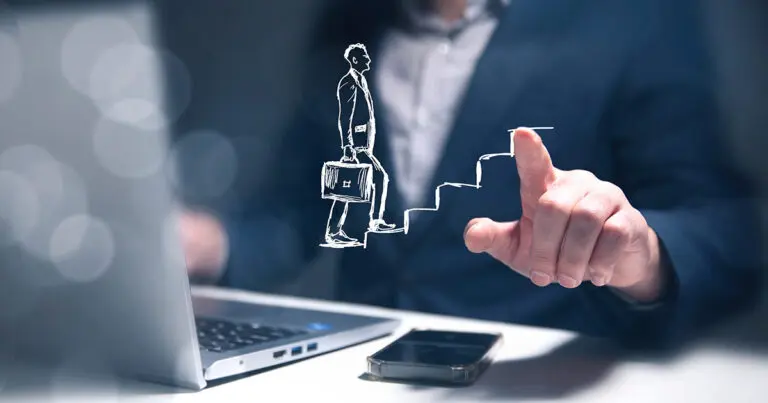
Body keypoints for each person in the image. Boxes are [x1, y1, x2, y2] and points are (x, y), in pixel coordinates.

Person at [180, 0, 761, 349]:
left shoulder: (632, 19)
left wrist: (640, 253)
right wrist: (207, 245)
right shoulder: (351, 20)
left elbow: (728, 230)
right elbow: (304, 205)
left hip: (539, 382)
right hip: (360, 376)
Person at [324, 43, 397, 247]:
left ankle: (352, 226)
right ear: (355, 60)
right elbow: (344, 116)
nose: (369, 60)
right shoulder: (349, 83)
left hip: (363, 145)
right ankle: (341, 229)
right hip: (356, 147)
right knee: (352, 186)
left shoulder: (361, 80)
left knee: (349, 187)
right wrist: (348, 147)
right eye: (364, 57)